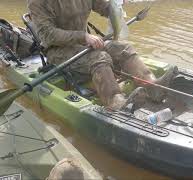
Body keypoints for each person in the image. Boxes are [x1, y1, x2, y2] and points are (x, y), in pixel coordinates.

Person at [27, 0, 176, 110]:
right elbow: (47, 35)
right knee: (99, 57)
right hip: (58, 51)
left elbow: (104, 7)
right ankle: (115, 102)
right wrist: (83, 36)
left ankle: (152, 87)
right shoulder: (37, 2)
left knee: (123, 48)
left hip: (84, 44)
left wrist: (115, 4)